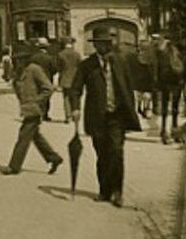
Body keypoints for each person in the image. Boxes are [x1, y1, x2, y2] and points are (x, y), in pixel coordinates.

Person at [74, 29, 141, 206]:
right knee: (102, 154)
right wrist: (74, 108)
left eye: (106, 43)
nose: (104, 46)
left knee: (117, 151)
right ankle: (104, 190)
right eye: (100, 43)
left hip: (116, 115)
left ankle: (117, 192)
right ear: (95, 45)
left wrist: (130, 110)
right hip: (97, 116)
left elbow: (128, 86)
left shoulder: (120, 62)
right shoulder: (87, 65)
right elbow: (75, 88)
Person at [2, 46, 63, 175]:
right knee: (35, 136)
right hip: (27, 109)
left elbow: (48, 87)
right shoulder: (19, 72)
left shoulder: (34, 70)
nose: (17, 62)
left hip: (34, 109)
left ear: (26, 60)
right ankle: (54, 158)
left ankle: (14, 166)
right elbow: (13, 84)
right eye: (16, 60)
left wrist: (37, 101)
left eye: (20, 59)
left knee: (23, 136)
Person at [153, 34, 185, 143]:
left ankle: (168, 130)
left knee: (169, 105)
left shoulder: (169, 51)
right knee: (169, 105)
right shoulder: (167, 52)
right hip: (169, 78)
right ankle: (169, 130)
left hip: (170, 77)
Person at [28, 38, 56, 122]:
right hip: (47, 79)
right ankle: (45, 115)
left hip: (35, 79)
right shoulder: (49, 58)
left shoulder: (33, 57)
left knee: (37, 95)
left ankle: (37, 114)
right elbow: (54, 69)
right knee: (46, 97)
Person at [56, 36, 83, 124]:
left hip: (65, 78)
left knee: (66, 98)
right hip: (75, 78)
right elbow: (80, 66)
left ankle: (67, 116)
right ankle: (75, 114)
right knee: (75, 97)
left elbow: (59, 68)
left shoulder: (61, 54)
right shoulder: (77, 54)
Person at [128, 38, 157, 119]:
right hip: (145, 81)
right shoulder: (151, 56)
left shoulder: (134, 56)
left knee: (141, 96)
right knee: (146, 96)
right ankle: (145, 109)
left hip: (140, 80)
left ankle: (141, 109)